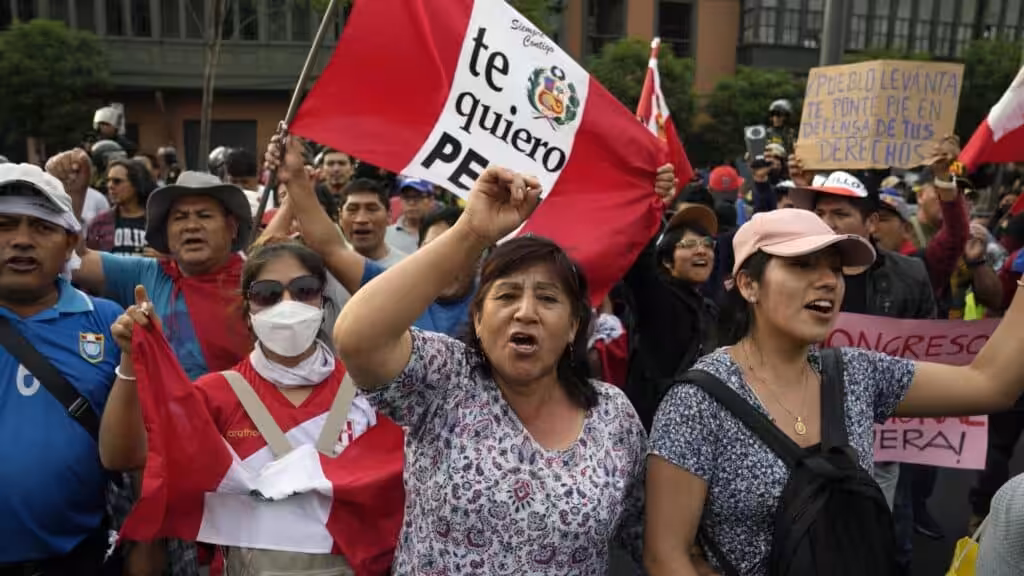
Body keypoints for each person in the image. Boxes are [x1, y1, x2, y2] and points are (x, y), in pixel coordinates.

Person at [644, 207, 1024, 575]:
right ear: (748, 284)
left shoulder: (858, 373)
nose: (828, 280)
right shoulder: (697, 402)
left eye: (836, 268)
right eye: (803, 265)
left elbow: (990, 384)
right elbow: (666, 557)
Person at [333, 164, 663, 574]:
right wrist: (471, 231)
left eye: (547, 299)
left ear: (574, 326)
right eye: (506, 296)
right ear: (477, 319)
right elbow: (357, 338)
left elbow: (646, 533)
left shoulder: (612, 414)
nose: (525, 313)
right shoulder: (445, 378)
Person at [101, 239, 404, 575]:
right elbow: (122, 456)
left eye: (304, 290)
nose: (288, 304)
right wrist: (130, 358)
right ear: (247, 310)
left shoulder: (370, 388)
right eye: (267, 294)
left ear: (323, 301)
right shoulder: (216, 394)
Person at [0, 163, 123, 575]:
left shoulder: (108, 323)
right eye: (4, 224)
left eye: (41, 227)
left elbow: (144, 448)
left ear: (70, 241)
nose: (20, 241)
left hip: (79, 559)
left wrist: (145, 544)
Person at [622, 203, 720, 431]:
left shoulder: (709, 309)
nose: (701, 250)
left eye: (708, 244)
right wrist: (652, 204)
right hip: (659, 432)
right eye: (688, 244)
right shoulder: (657, 299)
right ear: (667, 261)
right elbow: (640, 258)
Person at [86, 158, 156, 256]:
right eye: (108, 181)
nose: (110, 186)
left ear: (136, 184)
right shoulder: (99, 223)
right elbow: (88, 259)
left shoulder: (158, 222)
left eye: (117, 181)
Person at [339, 178, 406, 266]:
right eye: (352, 210)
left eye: (372, 210)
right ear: (340, 217)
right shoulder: (328, 269)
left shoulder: (408, 267)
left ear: (389, 216)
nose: (361, 219)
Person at [385, 177, 436, 254]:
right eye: (406, 197)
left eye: (418, 197)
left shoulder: (442, 235)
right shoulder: (384, 234)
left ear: (431, 200)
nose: (411, 203)